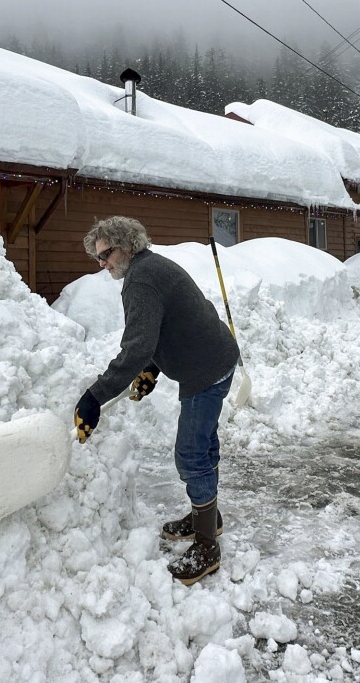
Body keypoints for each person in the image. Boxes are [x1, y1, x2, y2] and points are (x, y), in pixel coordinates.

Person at [72, 216, 240, 585]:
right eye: (97, 259)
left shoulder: (141, 280)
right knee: (203, 445)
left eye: (106, 255)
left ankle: (208, 546)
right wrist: (152, 369)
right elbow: (162, 330)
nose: (103, 265)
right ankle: (207, 516)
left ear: (127, 245)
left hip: (205, 370)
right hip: (216, 358)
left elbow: (136, 346)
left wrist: (95, 397)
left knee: (191, 453)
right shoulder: (151, 267)